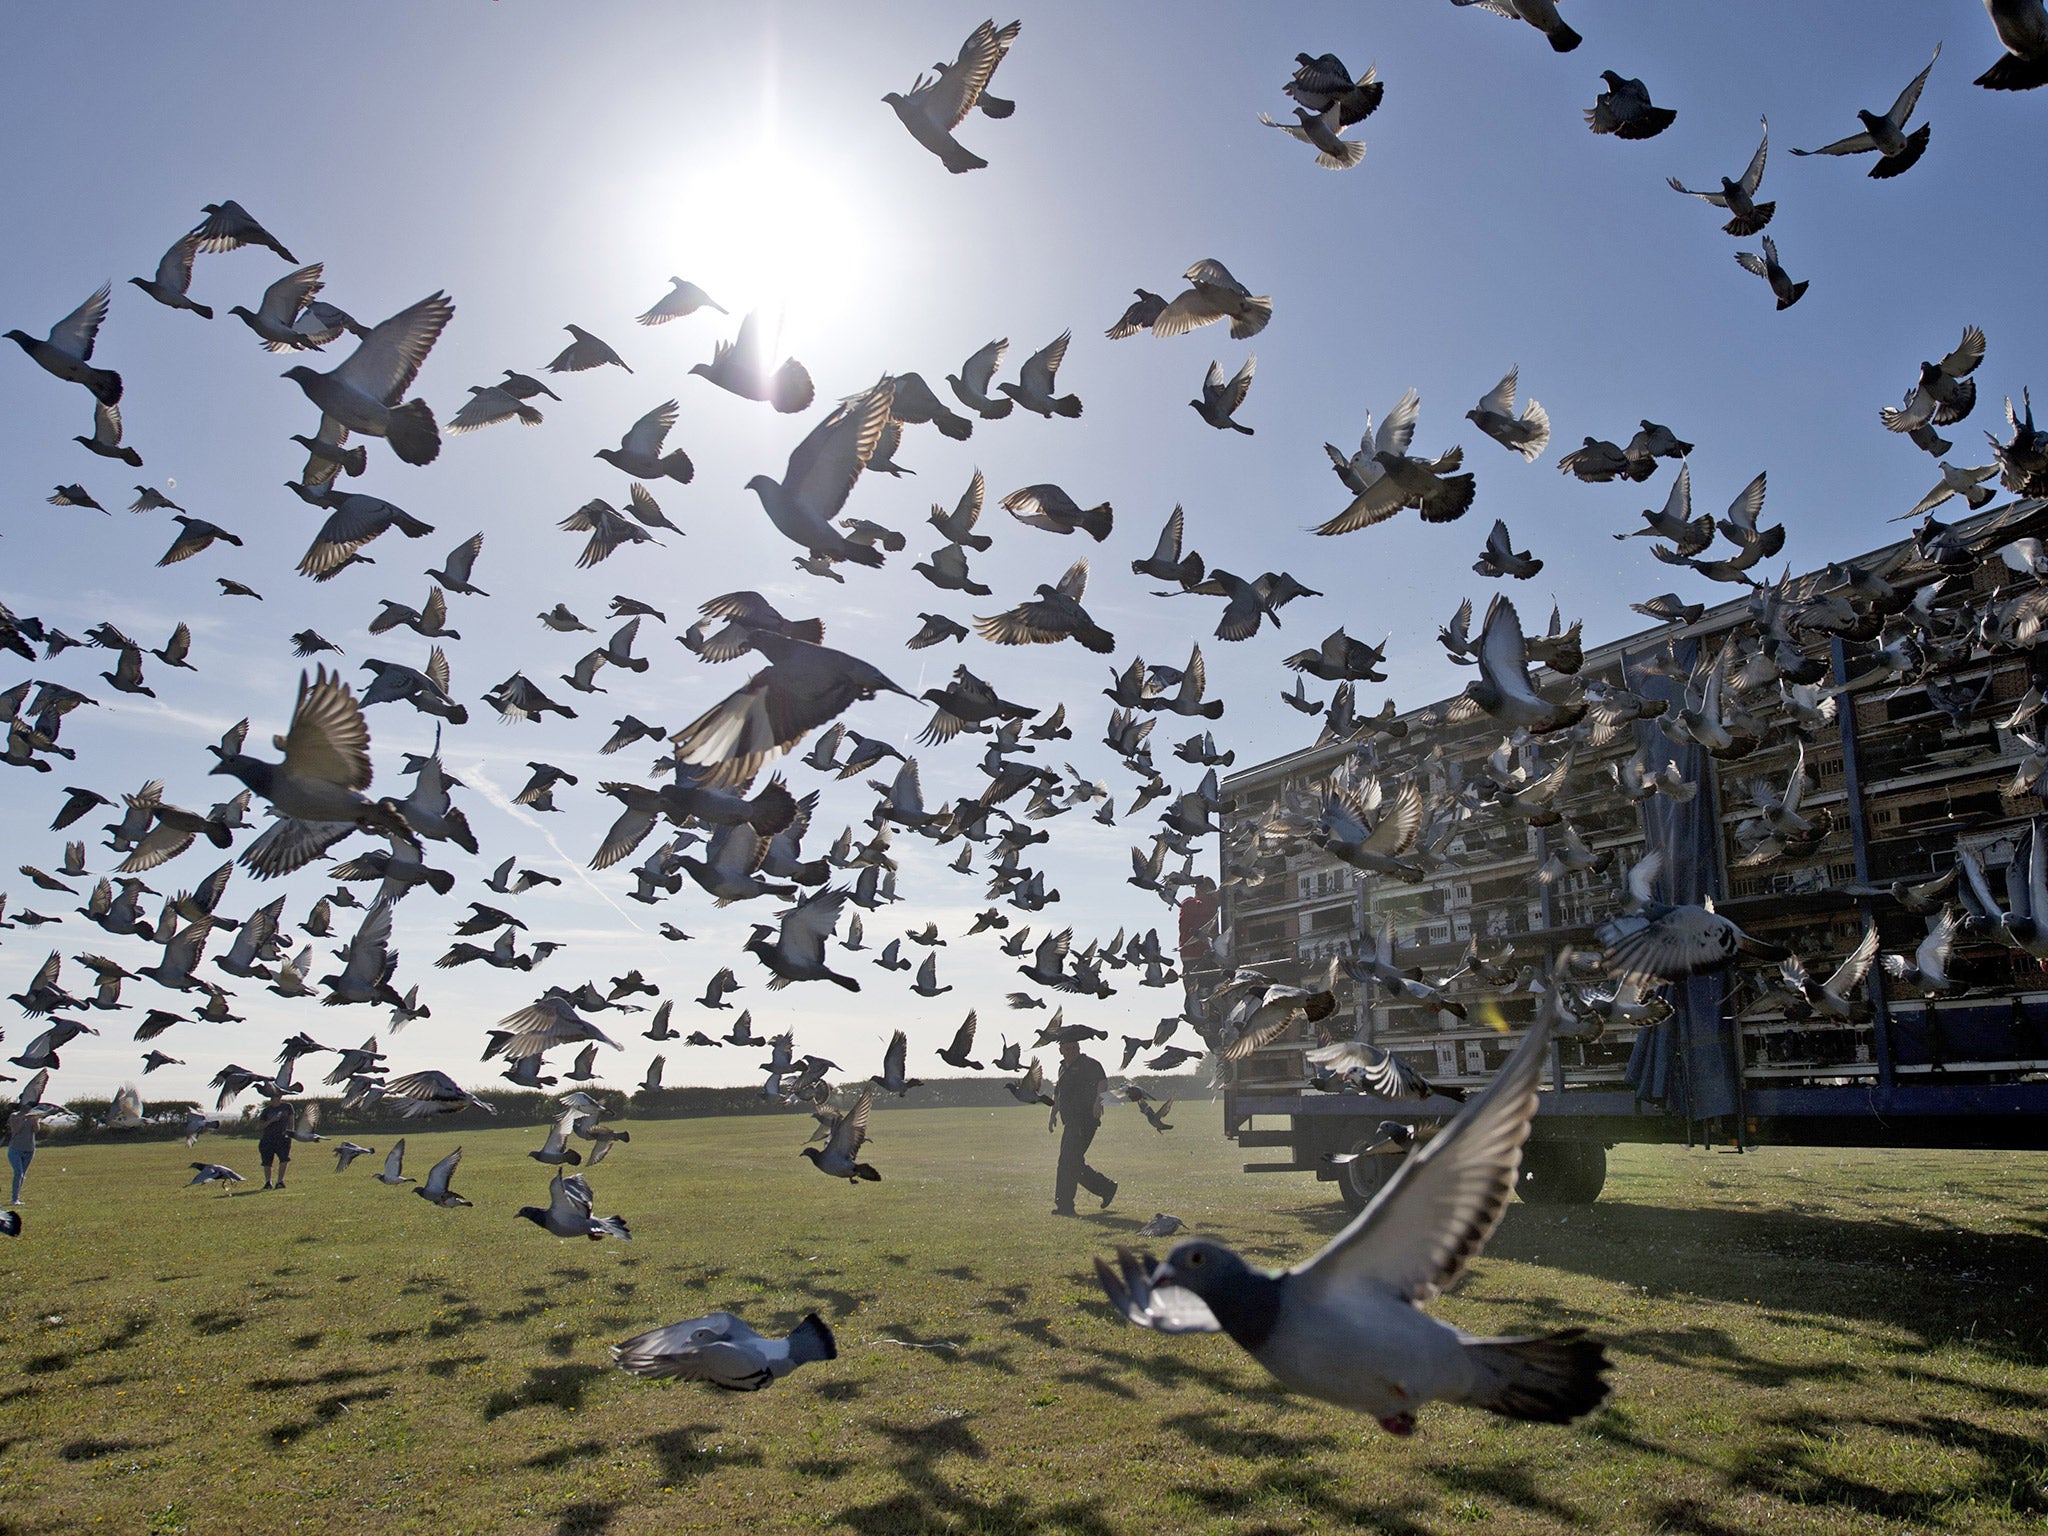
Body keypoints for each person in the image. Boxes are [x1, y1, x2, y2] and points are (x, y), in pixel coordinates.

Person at [1049, 1033, 1117, 1216]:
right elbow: (1058, 1094)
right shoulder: (1062, 1068)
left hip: (1086, 1119)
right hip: (1070, 1121)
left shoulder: (1089, 1064)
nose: (1071, 1051)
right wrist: (1053, 1113)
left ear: (1079, 1047)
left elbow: (1102, 1082)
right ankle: (1106, 1188)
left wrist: (1098, 1101)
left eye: (1074, 1048)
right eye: (1067, 1048)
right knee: (1073, 1162)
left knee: (1067, 1161)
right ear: (1061, 1050)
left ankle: (1065, 1206)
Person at [257, 1101, 294, 1190]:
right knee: (267, 1162)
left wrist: (290, 1134)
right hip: (268, 1139)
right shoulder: (266, 1110)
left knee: (284, 1159)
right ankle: (268, 1182)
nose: (275, 1098)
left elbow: (291, 1122)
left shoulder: (287, 1107)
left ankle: (280, 1181)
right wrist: (271, 1120)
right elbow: (259, 1126)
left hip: (283, 1138)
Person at [7, 1108, 38, 1206]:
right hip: (15, 1149)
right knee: (18, 1173)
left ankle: (17, 1197)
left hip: (29, 1149)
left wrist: (35, 1120)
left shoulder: (33, 1115)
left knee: (22, 1175)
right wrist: (23, 1117)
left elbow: (36, 1130)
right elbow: (16, 1129)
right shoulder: (14, 1115)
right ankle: (14, 1199)